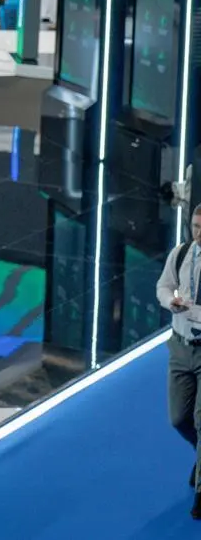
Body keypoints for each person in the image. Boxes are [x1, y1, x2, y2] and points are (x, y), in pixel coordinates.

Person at [157, 204, 201, 520]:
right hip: (180, 347)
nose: (199, 233)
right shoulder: (181, 253)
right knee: (178, 418)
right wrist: (169, 301)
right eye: (196, 227)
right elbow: (163, 285)